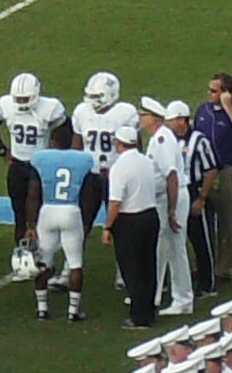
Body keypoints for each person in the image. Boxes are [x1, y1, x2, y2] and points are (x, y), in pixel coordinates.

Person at [26, 122, 101, 322]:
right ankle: (73, 311)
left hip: (48, 210)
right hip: (71, 210)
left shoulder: (42, 158)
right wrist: (86, 221)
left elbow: (33, 194)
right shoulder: (83, 160)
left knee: (43, 262)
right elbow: (88, 194)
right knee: (75, 264)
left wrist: (30, 224)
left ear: (53, 141)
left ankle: (42, 309)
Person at [71, 71, 139, 292]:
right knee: (80, 224)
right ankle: (71, 267)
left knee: (120, 226)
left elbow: (135, 146)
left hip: (116, 176)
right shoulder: (82, 112)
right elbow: (76, 145)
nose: (93, 100)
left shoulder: (125, 113)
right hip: (89, 176)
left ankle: (123, 271)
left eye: (97, 96)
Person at [0, 72, 68, 253]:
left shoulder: (50, 108)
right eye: (18, 99)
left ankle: (43, 253)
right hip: (17, 165)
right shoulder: (6, 105)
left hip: (40, 166)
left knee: (41, 213)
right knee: (19, 213)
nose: (21, 102)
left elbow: (66, 131)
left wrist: (55, 150)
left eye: (25, 99)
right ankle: (23, 255)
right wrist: (2, 149)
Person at [195, 72, 232, 283]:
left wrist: (227, 106)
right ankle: (206, 265)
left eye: (214, 91)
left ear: (226, 93)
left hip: (226, 172)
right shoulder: (203, 110)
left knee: (226, 222)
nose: (209, 94)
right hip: (204, 172)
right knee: (205, 221)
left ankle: (223, 269)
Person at [102, 126, 160, 329]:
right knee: (148, 266)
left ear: (119, 143)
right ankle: (148, 311)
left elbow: (115, 202)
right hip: (150, 216)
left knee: (132, 269)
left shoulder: (119, 167)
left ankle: (139, 315)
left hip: (130, 220)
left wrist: (107, 227)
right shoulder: (146, 161)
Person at [140, 96, 193, 315]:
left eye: (143, 115)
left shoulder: (162, 140)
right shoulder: (159, 138)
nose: (140, 118)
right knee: (162, 247)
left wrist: (171, 210)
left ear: (154, 118)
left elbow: (171, 175)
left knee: (175, 248)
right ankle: (153, 292)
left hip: (171, 197)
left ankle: (183, 299)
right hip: (165, 197)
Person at [168, 99, 219, 298]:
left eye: (172, 120)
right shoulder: (169, 140)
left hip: (194, 189)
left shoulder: (199, 140)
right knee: (175, 239)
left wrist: (202, 198)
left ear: (182, 120)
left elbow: (211, 170)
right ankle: (178, 280)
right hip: (177, 190)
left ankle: (208, 284)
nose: (169, 123)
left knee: (201, 240)